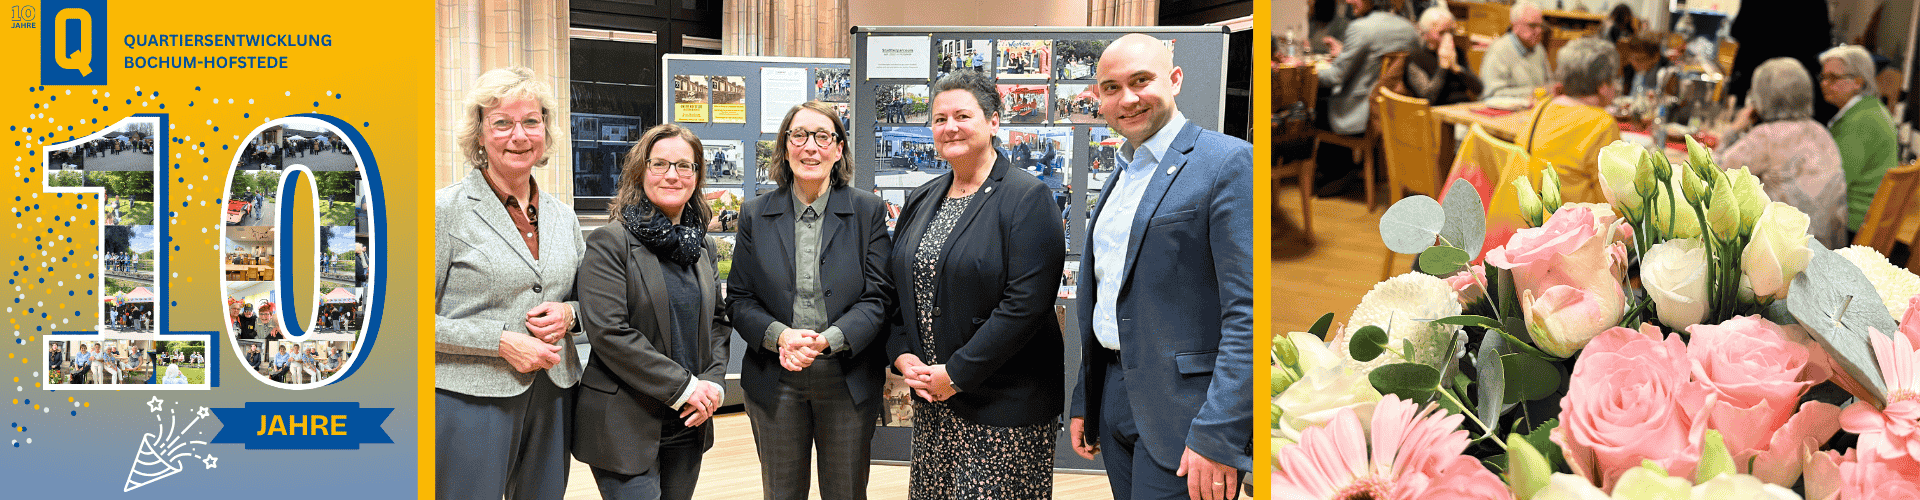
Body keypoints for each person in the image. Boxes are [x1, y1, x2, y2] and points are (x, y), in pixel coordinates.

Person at [1067, 34, 1253, 500]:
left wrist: (1219, 433)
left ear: (1175, 80)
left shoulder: (1227, 162)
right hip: (1112, 395)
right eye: (1111, 88)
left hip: (1188, 415)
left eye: (1141, 81)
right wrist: (1084, 398)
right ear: (1099, 98)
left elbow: (1247, 311)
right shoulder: (1121, 174)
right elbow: (1108, 294)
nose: (1126, 99)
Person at [886, 69, 1066, 499]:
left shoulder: (1028, 198)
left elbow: (1025, 306)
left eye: (962, 115)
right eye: (939, 118)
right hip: (935, 403)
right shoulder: (922, 197)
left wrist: (958, 373)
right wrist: (901, 354)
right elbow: (899, 290)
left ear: (993, 121)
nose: (950, 127)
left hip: (1003, 406)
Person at [727, 101, 894, 500]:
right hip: (776, 378)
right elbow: (739, 299)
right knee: (781, 492)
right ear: (785, 148)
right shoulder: (755, 214)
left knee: (846, 492)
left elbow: (879, 295)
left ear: (838, 150)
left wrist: (829, 338)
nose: (810, 147)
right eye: (799, 136)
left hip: (847, 375)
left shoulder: (867, 210)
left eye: (823, 137)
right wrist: (781, 337)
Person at [435, 67, 584, 500]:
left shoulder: (563, 216)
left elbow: (592, 303)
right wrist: (499, 341)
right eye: (502, 123)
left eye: (531, 121)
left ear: (546, 131)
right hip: (468, 398)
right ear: (479, 135)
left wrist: (571, 314)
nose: (518, 135)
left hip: (554, 394)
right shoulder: (445, 210)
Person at [572, 123, 730, 500]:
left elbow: (718, 324)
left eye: (684, 166)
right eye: (659, 164)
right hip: (625, 423)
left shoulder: (702, 247)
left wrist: (714, 383)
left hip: (689, 421)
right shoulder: (610, 242)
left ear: (696, 175)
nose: (672, 175)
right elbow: (610, 333)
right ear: (640, 171)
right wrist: (686, 387)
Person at [1513, 38, 1622, 206]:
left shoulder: (1543, 106)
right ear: (1603, 85)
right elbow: (1613, 200)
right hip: (1574, 224)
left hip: (1532, 215)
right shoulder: (1601, 123)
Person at [1819, 45, 1900, 237]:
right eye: (1823, 77)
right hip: (1863, 218)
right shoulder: (1870, 109)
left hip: (1851, 224)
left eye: (1833, 78)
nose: (1824, 84)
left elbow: (1835, 182)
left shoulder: (1861, 121)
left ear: (1858, 82)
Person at [1317, 0, 1419, 136]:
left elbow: (1335, 77)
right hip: (1394, 112)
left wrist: (1309, 70)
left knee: (1307, 110)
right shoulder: (1409, 29)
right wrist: (1344, 51)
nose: (1348, 1)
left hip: (1360, 115)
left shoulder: (1360, 27)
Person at [1406, 6, 1483, 106]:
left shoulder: (1458, 52)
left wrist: (1457, 68)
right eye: (1441, 33)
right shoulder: (1415, 57)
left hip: (1462, 107)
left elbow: (1479, 89)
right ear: (1426, 34)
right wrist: (1443, 67)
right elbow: (1428, 98)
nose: (1448, 37)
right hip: (1436, 113)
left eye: (1451, 32)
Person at [1479, 1, 1550, 99]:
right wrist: (1531, 93)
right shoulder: (1499, 49)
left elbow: (1548, 84)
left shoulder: (1539, 49)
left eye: (1540, 26)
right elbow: (1491, 92)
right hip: (1506, 111)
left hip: (1534, 108)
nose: (1538, 31)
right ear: (1515, 26)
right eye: (1532, 25)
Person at [1618, 33, 1670, 99]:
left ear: (1655, 57)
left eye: (1640, 60)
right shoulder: (1630, 69)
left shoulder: (1666, 72)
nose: (1635, 64)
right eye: (1632, 59)